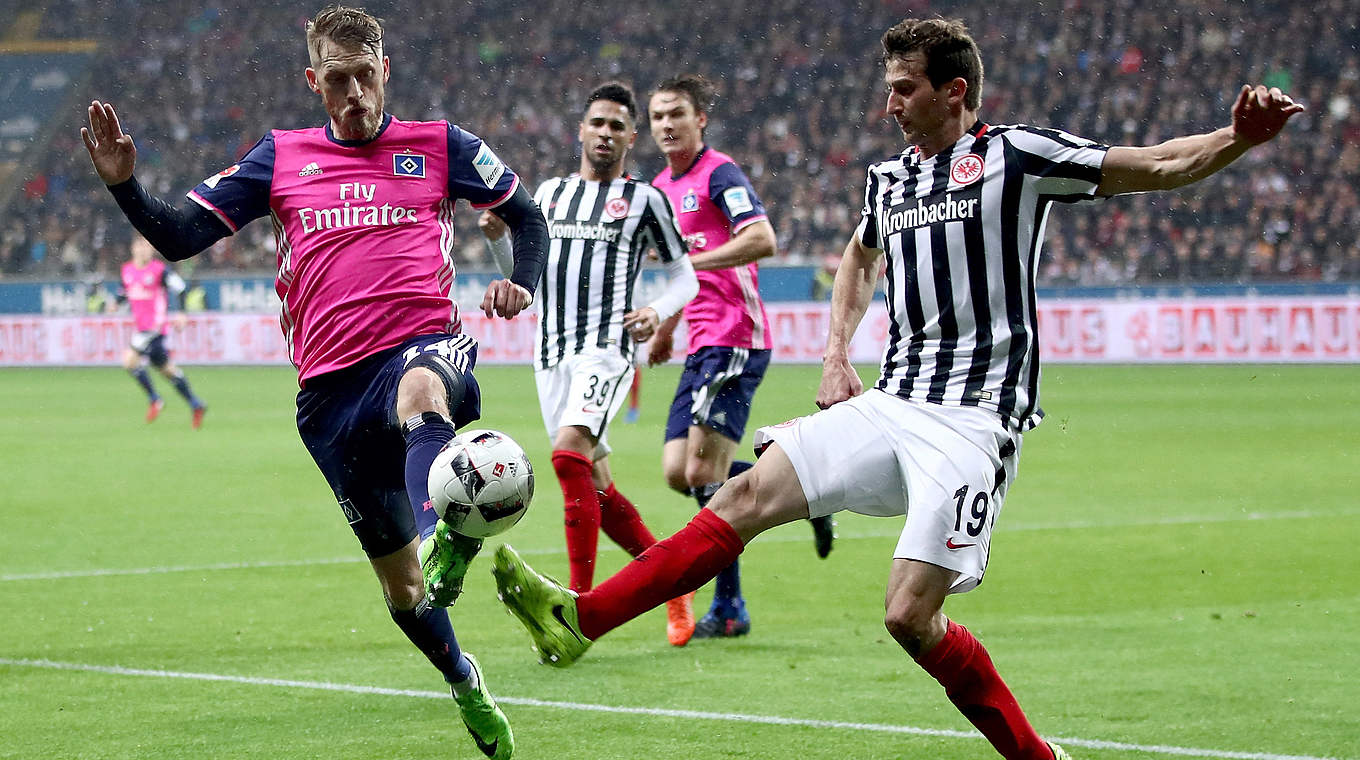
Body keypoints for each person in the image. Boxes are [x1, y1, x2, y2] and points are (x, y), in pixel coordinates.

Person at [489, 17, 1302, 760]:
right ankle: (581, 619)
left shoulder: (1016, 157)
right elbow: (858, 256)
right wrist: (837, 354)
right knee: (735, 501)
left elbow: (1155, 165)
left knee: (909, 617)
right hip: (893, 399)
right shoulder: (890, 180)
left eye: (904, 89)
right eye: (887, 89)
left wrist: (1237, 136)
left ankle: (1035, 756)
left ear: (954, 92)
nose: (888, 107)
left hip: (973, 420)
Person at [81, 7, 548, 759]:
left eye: (367, 74)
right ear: (313, 83)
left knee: (420, 393)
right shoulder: (280, 157)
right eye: (339, 79)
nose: (356, 92)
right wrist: (126, 189)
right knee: (403, 597)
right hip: (327, 397)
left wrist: (521, 284)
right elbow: (177, 237)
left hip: (423, 343)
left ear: (386, 70)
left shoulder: (440, 145)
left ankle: (443, 533)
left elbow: (527, 217)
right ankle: (463, 677)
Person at [478, 81, 700, 646]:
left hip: (606, 347)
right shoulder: (549, 195)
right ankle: (672, 583)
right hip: (550, 349)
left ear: (631, 136)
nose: (606, 133)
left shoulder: (646, 200)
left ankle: (577, 607)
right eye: (597, 123)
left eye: (617, 126)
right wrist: (499, 239)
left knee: (567, 454)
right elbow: (525, 270)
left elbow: (685, 277)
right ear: (581, 130)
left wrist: (656, 310)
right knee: (596, 485)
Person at [644, 74, 836, 640]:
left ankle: (730, 608)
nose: (666, 125)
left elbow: (763, 239)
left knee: (705, 474)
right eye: (657, 116)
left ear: (700, 118)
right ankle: (807, 490)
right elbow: (678, 274)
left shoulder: (719, 174)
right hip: (700, 341)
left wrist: (694, 265)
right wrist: (666, 327)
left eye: (675, 113)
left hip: (737, 335)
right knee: (679, 473)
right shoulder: (659, 187)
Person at [113, 234, 207, 428]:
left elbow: (181, 289)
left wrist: (181, 313)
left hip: (155, 328)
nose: (144, 249)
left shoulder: (160, 270)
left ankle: (155, 399)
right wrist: (115, 303)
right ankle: (195, 403)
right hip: (142, 328)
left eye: (148, 246)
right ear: (133, 249)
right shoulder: (127, 271)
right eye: (140, 246)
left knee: (129, 360)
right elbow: (124, 292)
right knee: (167, 371)